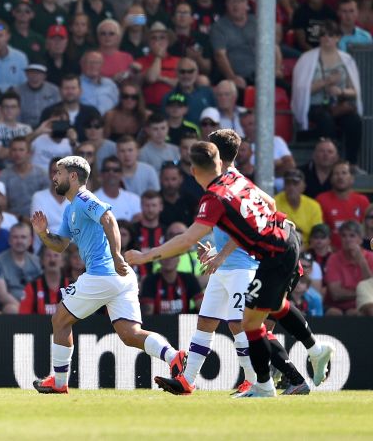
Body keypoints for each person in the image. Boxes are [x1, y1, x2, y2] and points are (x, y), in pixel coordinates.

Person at [125, 141, 334, 397]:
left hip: (264, 257)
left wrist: (145, 256)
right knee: (254, 315)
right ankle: (192, 379)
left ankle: (263, 383)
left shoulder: (214, 196)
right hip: (279, 243)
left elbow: (187, 240)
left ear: (193, 170)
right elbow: (267, 204)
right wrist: (223, 250)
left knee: (247, 323)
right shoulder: (234, 179)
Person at [30, 156, 183, 394]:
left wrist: (117, 255)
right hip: (120, 278)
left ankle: (59, 383)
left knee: (59, 320)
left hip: (103, 274)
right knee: (130, 335)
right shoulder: (71, 208)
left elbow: (108, 218)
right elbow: (60, 246)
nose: (54, 177)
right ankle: (173, 356)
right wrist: (43, 233)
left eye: (58, 173)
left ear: (72, 176)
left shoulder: (83, 198)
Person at [291, 20, 363, 164]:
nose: (326, 38)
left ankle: (351, 163)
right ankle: (331, 161)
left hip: (338, 106)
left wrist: (340, 91)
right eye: (323, 35)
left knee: (354, 121)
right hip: (315, 105)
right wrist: (325, 82)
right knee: (326, 121)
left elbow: (355, 91)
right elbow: (301, 90)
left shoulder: (347, 60)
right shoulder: (307, 58)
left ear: (338, 38)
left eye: (331, 35)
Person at [316, 160, 370, 248]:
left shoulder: (362, 201)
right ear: (331, 179)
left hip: (359, 252)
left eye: (344, 173)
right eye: (336, 174)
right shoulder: (321, 200)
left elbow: (368, 230)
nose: (340, 177)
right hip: (330, 254)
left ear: (351, 178)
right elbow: (320, 232)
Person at [0, 223, 42, 314]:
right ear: (9, 240)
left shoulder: (37, 261)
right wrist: (25, 309)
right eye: (15, 237)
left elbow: (43, 288)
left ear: (30, 241)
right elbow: (2, 295)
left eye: (23, 237)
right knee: (11, 309)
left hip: (34, 304)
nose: (19, 241)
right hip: (11, 305)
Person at [324, 220, 373, 315]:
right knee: (334, 313)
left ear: (360, 239)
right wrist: (361, 293)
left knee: (360, 311)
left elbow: (371, 289)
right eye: (344, 236)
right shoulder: (333, 259)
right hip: (337, 306)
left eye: (352, 236)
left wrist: (362, 261)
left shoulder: (371, 257)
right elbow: (336, 294)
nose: (347, 239)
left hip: (364, 306)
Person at [276, 168, 324, 244]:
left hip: (308, 248)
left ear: (304, 186)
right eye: (288, 183)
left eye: (295, 183)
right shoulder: (275, 202)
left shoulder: (314, 206)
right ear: (284, 186)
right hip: (283, 247)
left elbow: (318, 234)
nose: (291, 187)